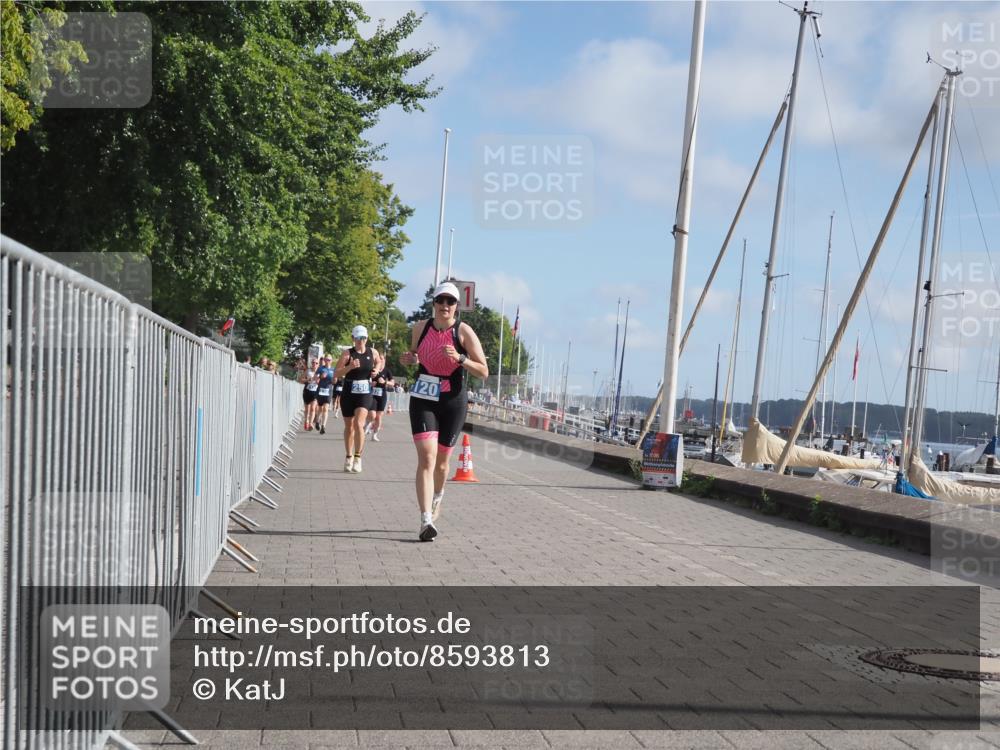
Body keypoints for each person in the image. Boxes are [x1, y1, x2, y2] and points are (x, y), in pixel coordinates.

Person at [401, 282, 489, 542]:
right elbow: (416, 356)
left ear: (456, 307)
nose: (445, 306)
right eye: (441, 301)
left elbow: (483, 371)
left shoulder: (463, 332)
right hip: (424, 396)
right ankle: (425, 519)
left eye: (450, 302)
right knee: (426, 459)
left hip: (453, 400)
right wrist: (411, 360)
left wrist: (461, 359)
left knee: (441, 463)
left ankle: (438, 496)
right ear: (434, 304)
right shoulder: (420, 327)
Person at [334, 325, 382, 473]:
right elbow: (336, 373)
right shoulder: (347, 354)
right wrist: (349, 367)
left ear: (367, 338)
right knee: (349, 426)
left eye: (364, 338)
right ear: (353, 338)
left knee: (359, 424)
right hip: (348, 391)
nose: (361, 341)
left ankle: (358, 457)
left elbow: (379, 361)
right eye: (358, 338)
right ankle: (348, 456)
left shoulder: (372, 352)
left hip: (364, 392)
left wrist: (376, 370)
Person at [365, 364, 395, 442]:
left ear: (384, 361)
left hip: (382, 395)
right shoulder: (373, 370)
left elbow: (392, 383)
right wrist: (370, 384)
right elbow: (365, 379)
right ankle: (367, 424)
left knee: (378, 417)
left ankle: (374, 435)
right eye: (379, 359)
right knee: (372, 414)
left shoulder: (387, 371)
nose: (380, 361)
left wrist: (385, 382)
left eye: (382, 359)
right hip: (373, 395)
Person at [314, 355, 335, 434]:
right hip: (321, 390)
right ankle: (317, 422)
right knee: (320, 408)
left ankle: (323, 426)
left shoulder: (333, 369)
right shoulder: (321, 368)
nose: (328, 361)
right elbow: (315, 378)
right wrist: (320, 377)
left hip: (328, 391)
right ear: (324, 360)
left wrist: (334, 380)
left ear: (331, 361)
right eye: (326, 359)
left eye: (329, 360)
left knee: (325, 409)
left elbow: (334, 381)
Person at [301, 362, 319, 431]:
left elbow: (322, 382)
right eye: (313, 362)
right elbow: (300, 380)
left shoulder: (320, 372)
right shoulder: (308, 371)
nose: (314, 364)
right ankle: (306, 421)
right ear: (312, 364)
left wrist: (318, 381)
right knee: (307, 409)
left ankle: (311, 423)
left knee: (313, 408)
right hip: (307, 391)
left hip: (315, 392)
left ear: (318, 365)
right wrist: (308, 380)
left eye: (316, 363)